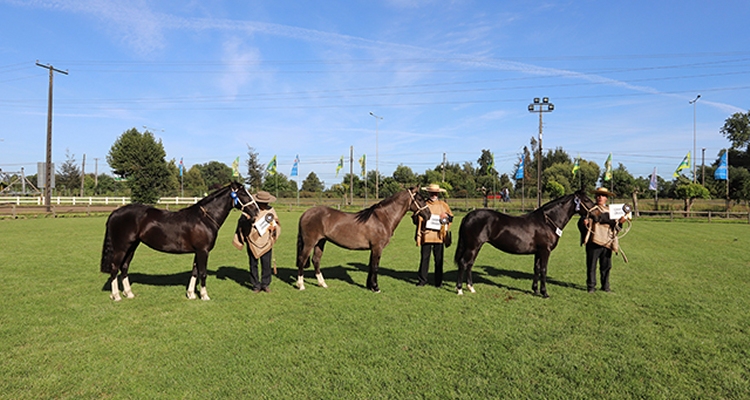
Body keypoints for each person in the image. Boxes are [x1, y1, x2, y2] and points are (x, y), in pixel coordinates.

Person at [233, 191, 281, 293]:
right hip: (252, 241)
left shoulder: (271, 210)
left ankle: (265, 284)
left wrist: (274, 229)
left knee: (266, 264)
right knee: (253, 264)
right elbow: (241, 223)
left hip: (266, 241)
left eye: (266, 202)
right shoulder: (249, 210)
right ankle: (256, 285)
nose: (265, 204)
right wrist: (248, 221)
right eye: (262, 202)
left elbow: (276, 223)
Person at [582, 187, 625, 293]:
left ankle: (605, 286)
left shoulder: (613, 212)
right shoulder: (590, 210)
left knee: (606, 266)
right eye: (598, 195)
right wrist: (584, 223)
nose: (600, 197)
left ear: (606, 198)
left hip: (607, 242)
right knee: (591, 265)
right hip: (594, 241)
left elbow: (617, 228)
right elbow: (581, 223)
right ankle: (591, 286)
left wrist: (621, 222)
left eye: (602, 195)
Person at [413, 183, 453, 287]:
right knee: (424, 259)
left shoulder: (443, 205)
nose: (434, 194)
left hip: (439, 237)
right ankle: (422, 281)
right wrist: (418, 218)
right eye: (432, 192)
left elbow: (451, 218)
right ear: (429, 192)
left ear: (438, 193)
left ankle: (438, 282)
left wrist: (446, 216)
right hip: (426, 235)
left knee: (439, 260)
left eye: (436, 193)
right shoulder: (424, 204)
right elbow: (415, 219)